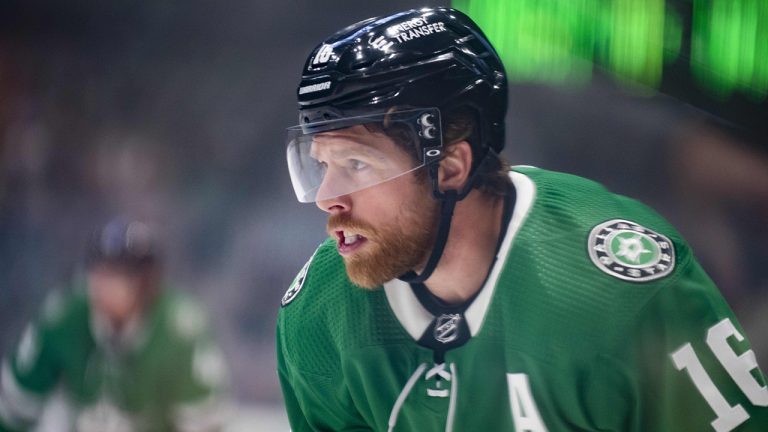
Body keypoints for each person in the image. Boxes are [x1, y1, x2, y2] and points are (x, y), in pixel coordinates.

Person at [277, 6, 768, 432]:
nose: (327, 198)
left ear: (450, 167)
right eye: (322, 164)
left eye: (357, 165)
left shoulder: (622, 294)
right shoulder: (320, 311)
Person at [0, 219, 228, 432]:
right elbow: (14, 406)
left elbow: (206, 425)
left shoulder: (180, 330)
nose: (103, 284)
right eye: (99, 271)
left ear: (146, 282)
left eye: (119, 274)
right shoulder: (65, 318)